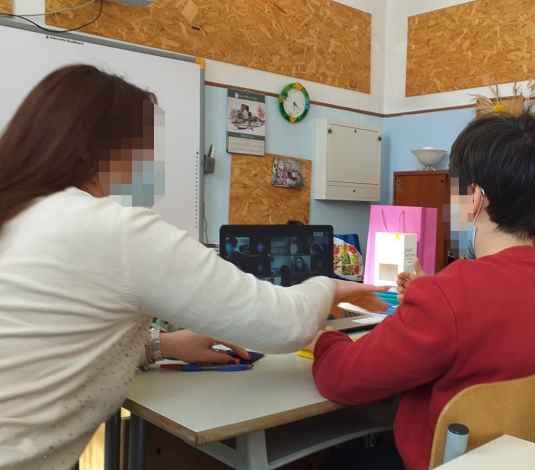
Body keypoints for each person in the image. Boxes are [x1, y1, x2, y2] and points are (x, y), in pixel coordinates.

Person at [0, 65, 385, 470]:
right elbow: (285, 324)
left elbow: (49, 342)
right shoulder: (114, 230)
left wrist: (161, 346)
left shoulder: (19, 214)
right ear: (94, 149)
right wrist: (328, 286)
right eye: (140, 145)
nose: (147, 159)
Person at [308, 112, 535, 470]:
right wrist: (431, 295)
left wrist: (323, 337)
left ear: (475, 198)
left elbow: (343, 380)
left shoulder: (449, 296)